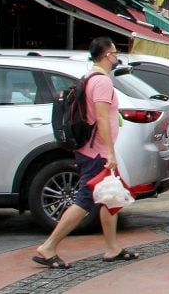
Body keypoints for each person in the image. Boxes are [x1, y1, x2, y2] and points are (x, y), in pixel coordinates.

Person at [34, 38, 139, 269]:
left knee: (110, 197)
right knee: (85, 200)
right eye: (114, 52)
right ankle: (49, 246)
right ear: (106, 55)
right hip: (97, 152)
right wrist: (110, 153)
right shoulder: (101, 82)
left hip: (93, 150)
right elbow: (101, 117)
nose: (116, 56)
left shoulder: (89, 77)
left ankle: (113, 248)